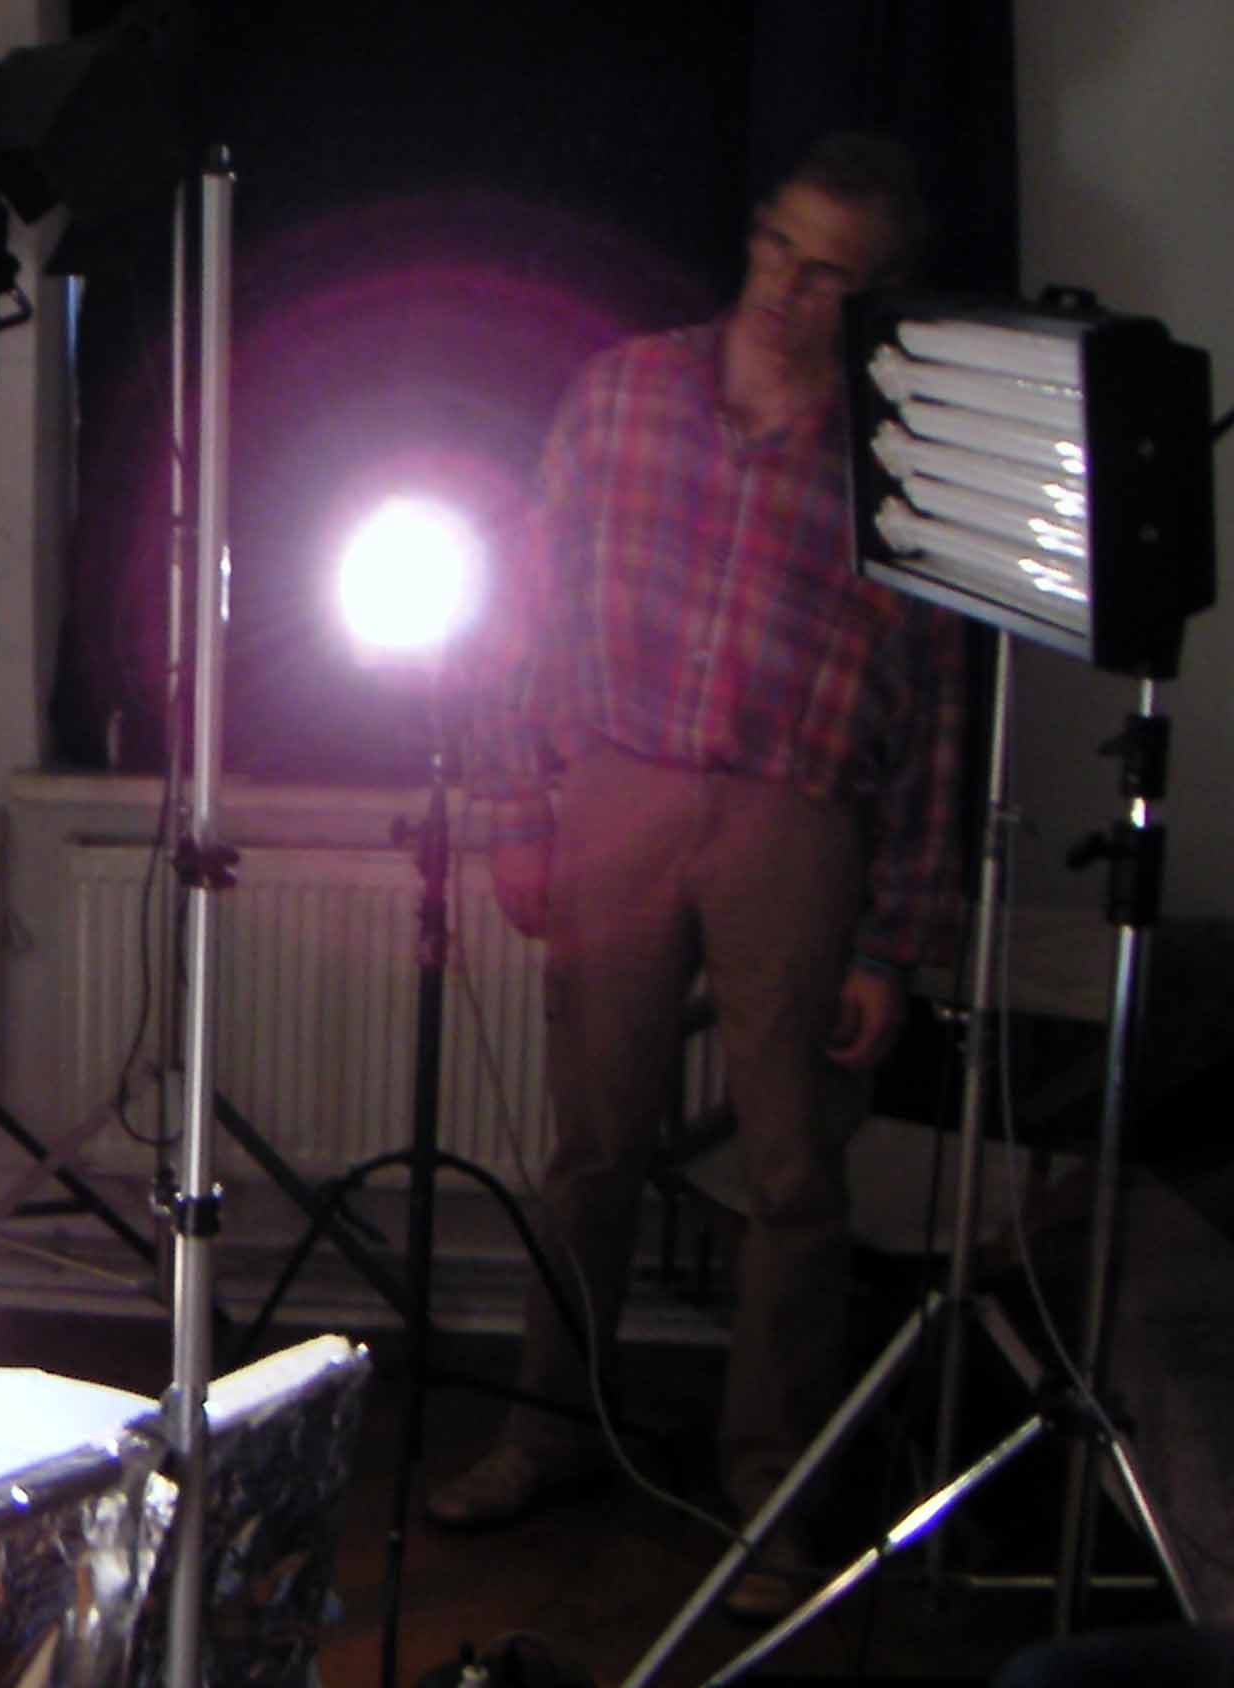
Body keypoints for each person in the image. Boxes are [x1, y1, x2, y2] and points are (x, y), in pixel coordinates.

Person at [433, 132, 969, 1624]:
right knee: (592, 1148)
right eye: (780, 249)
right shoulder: (624, 392)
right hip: (619, 783)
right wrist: (518, 808)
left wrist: (897, 942)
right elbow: (524, 605)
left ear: (876, 295)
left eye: (832, 275)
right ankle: (550, 1427)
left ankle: (774, 1490)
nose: (790, 291)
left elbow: (937, 715)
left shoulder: (894, 460)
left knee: (794, 1177)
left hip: (800, 815)